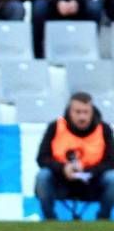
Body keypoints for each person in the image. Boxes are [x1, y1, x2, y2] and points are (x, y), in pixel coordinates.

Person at [35, 92, 114, 221]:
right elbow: (42, 158)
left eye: (86, 112)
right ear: (69, 112)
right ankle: (49, 220)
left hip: (93, 182)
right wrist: (63, 168)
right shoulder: (55, 127)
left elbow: (111, 162)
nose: (82, 117)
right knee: (43, 176)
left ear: (92, 112)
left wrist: (88, 171)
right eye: (77, 112)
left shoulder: (104, 129)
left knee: (112, 178)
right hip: (61, 181)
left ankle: (103, 219)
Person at [30, 0, 102, 59]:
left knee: (94, 7)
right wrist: (56, 2)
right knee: (39, 7)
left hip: (76, 2)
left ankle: (90, 50)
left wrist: (77, 2)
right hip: (51, 2)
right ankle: (38, 54)